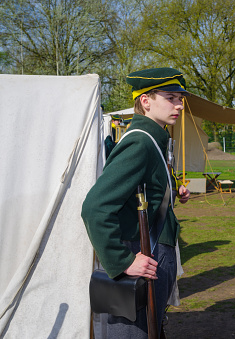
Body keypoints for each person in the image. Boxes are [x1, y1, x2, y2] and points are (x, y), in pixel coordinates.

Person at [82, 67, 191, 337]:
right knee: (133, 333)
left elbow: (145, 184)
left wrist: (174, 190)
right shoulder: (140, 142)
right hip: (140, 253)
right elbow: (95, 207)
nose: (178, 104)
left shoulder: (155, 138)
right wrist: (122, 261)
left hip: (155, 252)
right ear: (146, 101)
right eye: (170, 97)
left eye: (180, 98)